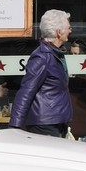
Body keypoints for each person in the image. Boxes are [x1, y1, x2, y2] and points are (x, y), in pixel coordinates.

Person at [9, 9, 73, 137]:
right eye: (68, 27)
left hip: (56, 122)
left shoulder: (55, 54)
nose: (71, 30)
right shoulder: (42, 58)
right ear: (59, 32)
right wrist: (14, 126)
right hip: (45, 125)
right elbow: (26, 91)